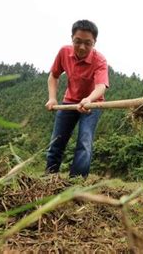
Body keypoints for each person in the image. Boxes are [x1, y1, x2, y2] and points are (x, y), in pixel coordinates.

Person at [45, 19, 109, 177]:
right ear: (72, 38)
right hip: (69, 102)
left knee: (84, 143)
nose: (82, 47)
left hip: (92, 105)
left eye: (88, 43)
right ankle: (49, 178)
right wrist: (52, 98)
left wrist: (89, 100)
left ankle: (76, 183)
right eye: (77, 41)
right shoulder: (64, 53)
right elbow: (53, 76)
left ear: (94, 42)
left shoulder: (100, 60)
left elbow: (101, 86)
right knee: (57, 141)